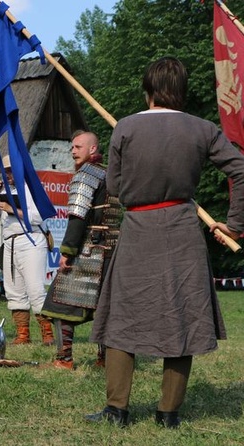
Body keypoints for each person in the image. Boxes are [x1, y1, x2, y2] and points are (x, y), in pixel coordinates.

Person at [86, 57, 244, 428]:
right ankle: (168, 414)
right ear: (181, 91)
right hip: (183, 230)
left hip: (139, 227)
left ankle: (116, 410)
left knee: (122, 318)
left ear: (149, 89)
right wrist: (235, 226)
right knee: (182, 317)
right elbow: (240, 168)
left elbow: (115, 187)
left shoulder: (124, 128)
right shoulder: (202, 129)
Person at [41, 131, 120, 370]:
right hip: (113, 250)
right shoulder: (111, 175)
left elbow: (77, 217)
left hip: (89, 250)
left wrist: (67, 251)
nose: (73, 151)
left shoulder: (85, 175)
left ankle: (64, 360)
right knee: (106, 307)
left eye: (77, 147)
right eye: (72, 148)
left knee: (60, 303)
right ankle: (105, 360)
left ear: (92, 149)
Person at [0, 155, 54, 346]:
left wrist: (11, 208)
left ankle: (47, 333)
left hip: (31, 239)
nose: (7, 174)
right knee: (14, 289)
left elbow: (38, 217)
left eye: (10, 171)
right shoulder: (4, 189)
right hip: (10, 242)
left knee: (35, 287)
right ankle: (23, 334)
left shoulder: (32, 188)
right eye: (5, 171)